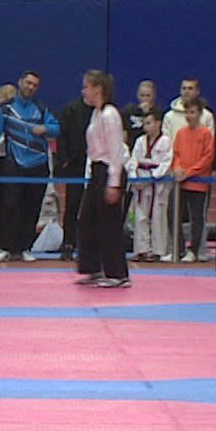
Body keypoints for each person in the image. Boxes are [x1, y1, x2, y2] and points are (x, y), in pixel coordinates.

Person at [0, 70, 58, 262]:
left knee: (31, 208)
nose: (30, 87)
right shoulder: (6, 108)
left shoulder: (40, 108)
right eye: (28, 83)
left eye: (34, 85)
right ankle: (6, 248)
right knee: (10, 205)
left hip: (38, 165)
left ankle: (25, 248)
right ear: (20, 82)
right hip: (14, 164)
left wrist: (45, 128)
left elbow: (56, 128)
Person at [74, 71, 129, 288]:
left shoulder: (110, 114)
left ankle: (117, 274)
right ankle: (93, 267)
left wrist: (113, 183)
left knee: (109, 224)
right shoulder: (96, 114)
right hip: (97, 170)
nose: (83, 92)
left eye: (86, 87)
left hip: (109, 169)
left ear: (98, 89)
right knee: (87, 220)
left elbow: (116, 151)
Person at [170, 102, 216, 262]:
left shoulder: (205, 133)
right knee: (173, 214)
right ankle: (179, 248)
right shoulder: (181, 133)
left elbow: (207, 158)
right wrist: (177, 168)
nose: (189, 116)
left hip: (198, 183)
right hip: (180, 183)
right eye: (187, 112)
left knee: (197, 218)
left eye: (192, 112)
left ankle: (194, 250)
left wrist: (188, 173)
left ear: (200, 114)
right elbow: (176, 154)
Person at [127, 111, 172, 262]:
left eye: (149, 123)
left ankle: (158, 250)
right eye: (144, 123)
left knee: (158, 216)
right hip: (140, 182)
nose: (146, 126)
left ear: (158, 123)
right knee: (140, 216)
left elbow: (166, 163)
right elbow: (133, 161)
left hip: (157, 184)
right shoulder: (140, 141)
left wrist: (152, 177)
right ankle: (141, 249)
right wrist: (135, 179)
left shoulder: (166, 141)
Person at [55, 91, 94, 260]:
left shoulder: (103, 111)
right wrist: (65, 161)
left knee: (93, 207)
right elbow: (61, 136)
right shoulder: (71, 109)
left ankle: (90, 246)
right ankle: (68, 244)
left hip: (96, 163)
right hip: (75, 165)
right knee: (72, 205)